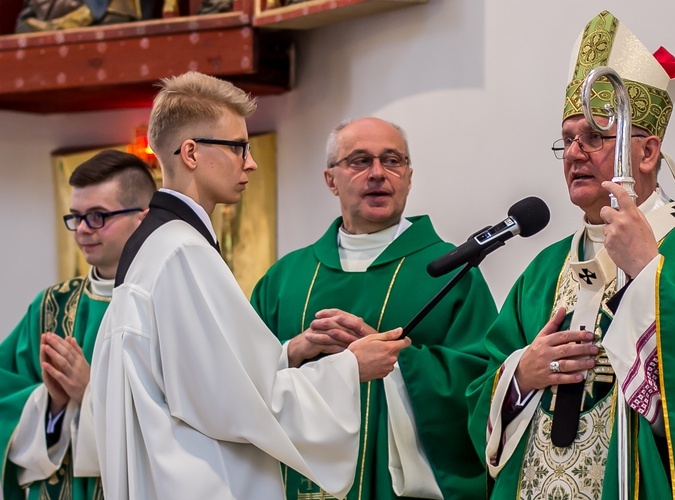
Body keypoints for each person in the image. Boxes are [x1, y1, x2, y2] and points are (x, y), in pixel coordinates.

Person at [467, 10, 675, 499]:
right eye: (568, 139)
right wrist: (520, 375)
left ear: (646, 153)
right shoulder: (543, 270)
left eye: (595, 137)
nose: (575, 153)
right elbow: (482, 385)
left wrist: (647, 273)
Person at [88, 72, 411, 499]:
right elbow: (241, 407)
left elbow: (204, 382)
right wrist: (350, 367)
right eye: (239, 146)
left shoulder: (152, 246)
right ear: (191, 153)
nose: (251, 162)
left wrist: (289, 353)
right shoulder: (182, 252)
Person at [251, 117, 498, 499]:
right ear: (330, 180)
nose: (378, 174)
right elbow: (245, 381)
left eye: (393, 160)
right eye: (359, 161)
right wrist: (294, 351)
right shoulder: (284, 279)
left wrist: (399, 362)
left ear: (409, 178)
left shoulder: (452, 272)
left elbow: (483, 385)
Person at [0, 150, 156, 500]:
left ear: (143, 219)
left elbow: (188, 421)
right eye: (76, 217)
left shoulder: (166, 305)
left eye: (98, 216)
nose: (83, 229)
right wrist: (51, 403)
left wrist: (90, 392)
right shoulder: (50, 308)